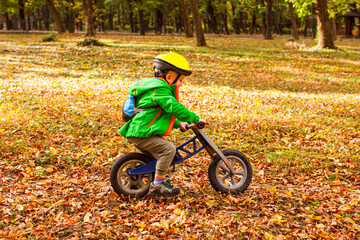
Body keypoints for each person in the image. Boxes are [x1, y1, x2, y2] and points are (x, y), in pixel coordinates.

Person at [118, 52, 205, 197]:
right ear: (170, 77)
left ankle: (155, 179)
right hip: (141, 133)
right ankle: (157, 186)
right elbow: (173, 107)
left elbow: (158, 112)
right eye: (181, 80)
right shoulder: (160, 89)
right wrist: (194, 119)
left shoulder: (155, 88)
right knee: (168, 149)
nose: (181, 84)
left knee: (159, 158)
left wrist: (179, 123)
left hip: (141, 131)